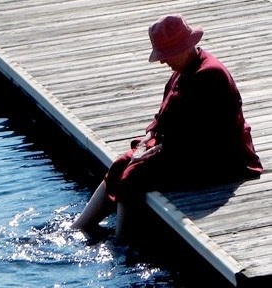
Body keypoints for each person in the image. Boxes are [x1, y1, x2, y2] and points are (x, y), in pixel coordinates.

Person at [71, 14, 263, 242]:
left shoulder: (209, 75)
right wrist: (149, 138)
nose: (163, 61)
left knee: (134, 176)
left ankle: (121, 240)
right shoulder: (183, 71)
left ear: (184, 47)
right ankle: (81, 227)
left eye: (166, 55)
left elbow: (201, 134)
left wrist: (159, 148)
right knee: (122, 162)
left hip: (216, 157)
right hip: (181, 145)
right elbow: (165, 118)